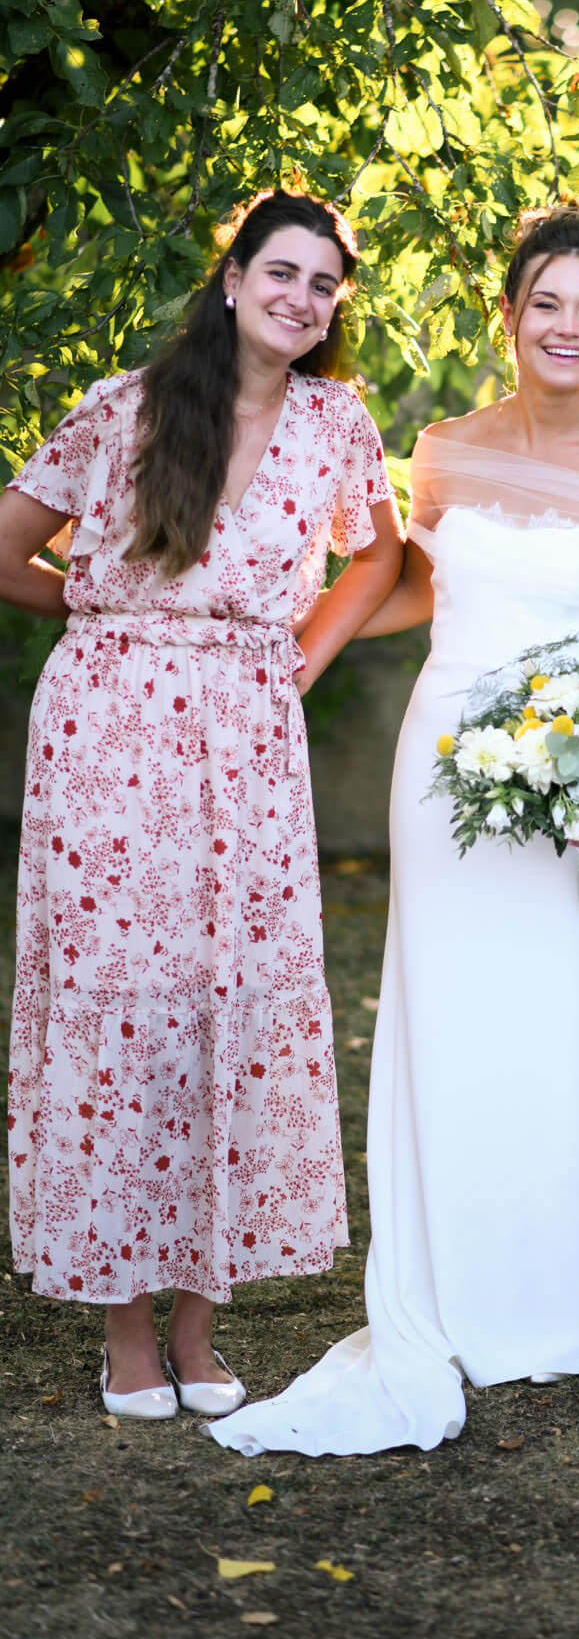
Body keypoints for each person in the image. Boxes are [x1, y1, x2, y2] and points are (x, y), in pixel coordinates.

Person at [207, 203, 579, 1457]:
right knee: (450, 1020)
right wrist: (277, 644)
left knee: (566, 1032)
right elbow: (415, 589)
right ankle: (453, 1288)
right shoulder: (442, 450)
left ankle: (560, 1306)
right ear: (512, 316)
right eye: (547, 305)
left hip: (575, 784)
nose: (568, 327)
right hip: (446, 775)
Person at [0, 190, 402, 1420]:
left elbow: (380, 554)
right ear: (232, 278)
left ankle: (201, 1319)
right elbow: (5, 548)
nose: (301, 296)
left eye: (323, 284)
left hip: (248, 732)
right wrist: (106, 621)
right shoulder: (121, 407)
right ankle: (125, 1331)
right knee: (121, 1017)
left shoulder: (339, 421)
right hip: (108, 738)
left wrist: (302, 654)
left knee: (225, 1005)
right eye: (281, 271)